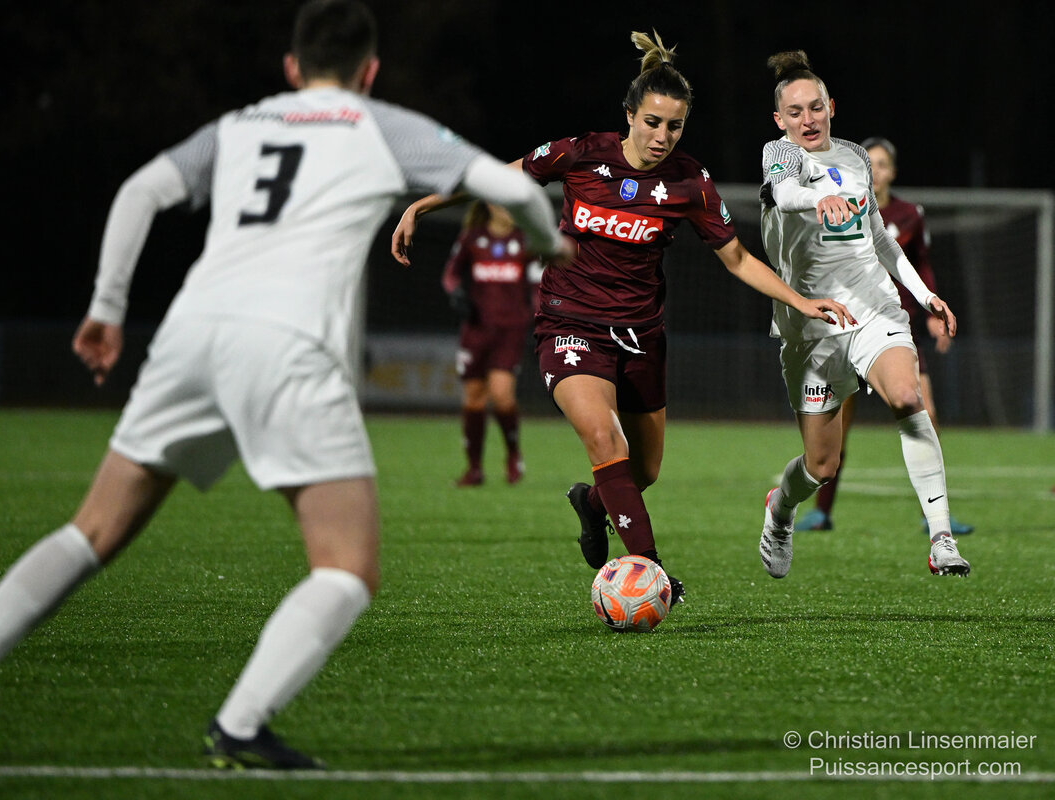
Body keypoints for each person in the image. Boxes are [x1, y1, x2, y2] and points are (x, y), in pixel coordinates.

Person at [0, 0, 568, 770]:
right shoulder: (383, 126)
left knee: (91, 532)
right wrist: (548, 244)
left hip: (191, 332)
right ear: (370, 72)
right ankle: (238, 728)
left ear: (291, 67)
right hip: (288, 345)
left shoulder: (239, 124)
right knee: (346, 567)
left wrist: (106, 308)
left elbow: (139, 191)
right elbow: (515, 192)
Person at [392, 30, 853, 605]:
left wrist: (801, 301)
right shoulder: (580, 154)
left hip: (641, 336)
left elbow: (736, 258)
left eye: (675, 126)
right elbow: (498, 177)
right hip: (570, 323)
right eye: (652, 122)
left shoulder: (689, 181)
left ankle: (591, 504)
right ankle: (650, 573)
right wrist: (424, 204)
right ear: (629, 115)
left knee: (645, 469)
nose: (662, 136)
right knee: (603, 437)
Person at [756, 50, 971, 579]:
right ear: (780, 119)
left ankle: (941, 537)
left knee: (907, 396)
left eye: (816, 108)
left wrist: (925, 296)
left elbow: (880, 240)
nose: (808, 119)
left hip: (873, 307)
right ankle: (780, 509)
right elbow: (784, 193)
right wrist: (818, 198)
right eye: (795, 112)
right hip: (811, 324)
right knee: (820, 465)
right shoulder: (779, 154)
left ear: (831, 106)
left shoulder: (855, 155)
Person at [796, 137, 974, 535]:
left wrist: (931, 310)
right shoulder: (836, 206)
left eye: (881, 164)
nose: (874, 171)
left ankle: (934, 516)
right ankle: (822, 511)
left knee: (924, 413)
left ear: (892, 171)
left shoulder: (910, 215)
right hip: (846, 328)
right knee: (838, 425)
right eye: (868, 163)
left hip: (896, 329)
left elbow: (919, 264)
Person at [441, 201, 541, 486]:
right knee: (473, 396)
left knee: (501, 394)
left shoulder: (527, 241)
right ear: (489, 204)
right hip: (476, 329)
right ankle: (474, 469)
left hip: (511, 329)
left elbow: (537, 285)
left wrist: (540, 317)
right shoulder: (472, 237)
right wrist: (456, 293)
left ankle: (513, 455)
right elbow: (450, 273)